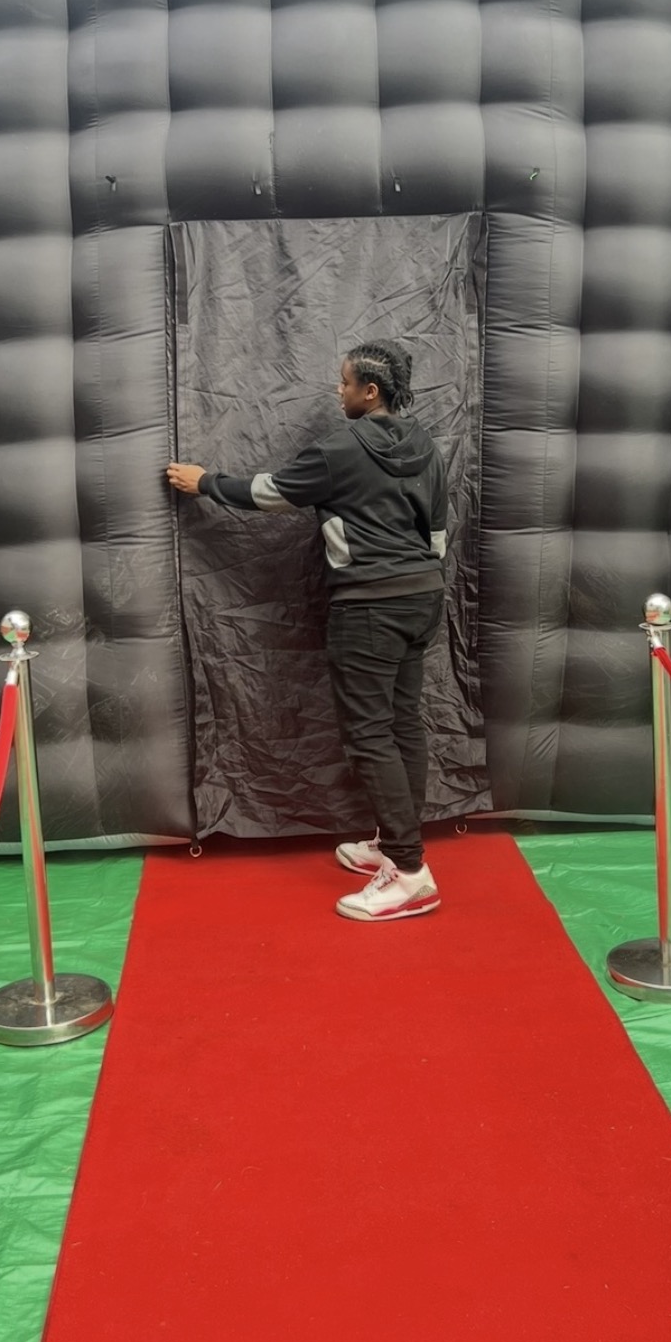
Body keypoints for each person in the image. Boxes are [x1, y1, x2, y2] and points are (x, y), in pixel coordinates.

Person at [166, 341, 448, 922]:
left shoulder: (339, 448)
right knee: (401, 724)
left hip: (370, 607)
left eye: (345, 384)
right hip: (424, 595)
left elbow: (270, 494)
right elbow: (438, 530)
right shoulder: (425, 442)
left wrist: (205, 481)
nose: (339, 392)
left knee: (371, 736)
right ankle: (395, 845)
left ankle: (411, 871)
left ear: (370, 392)